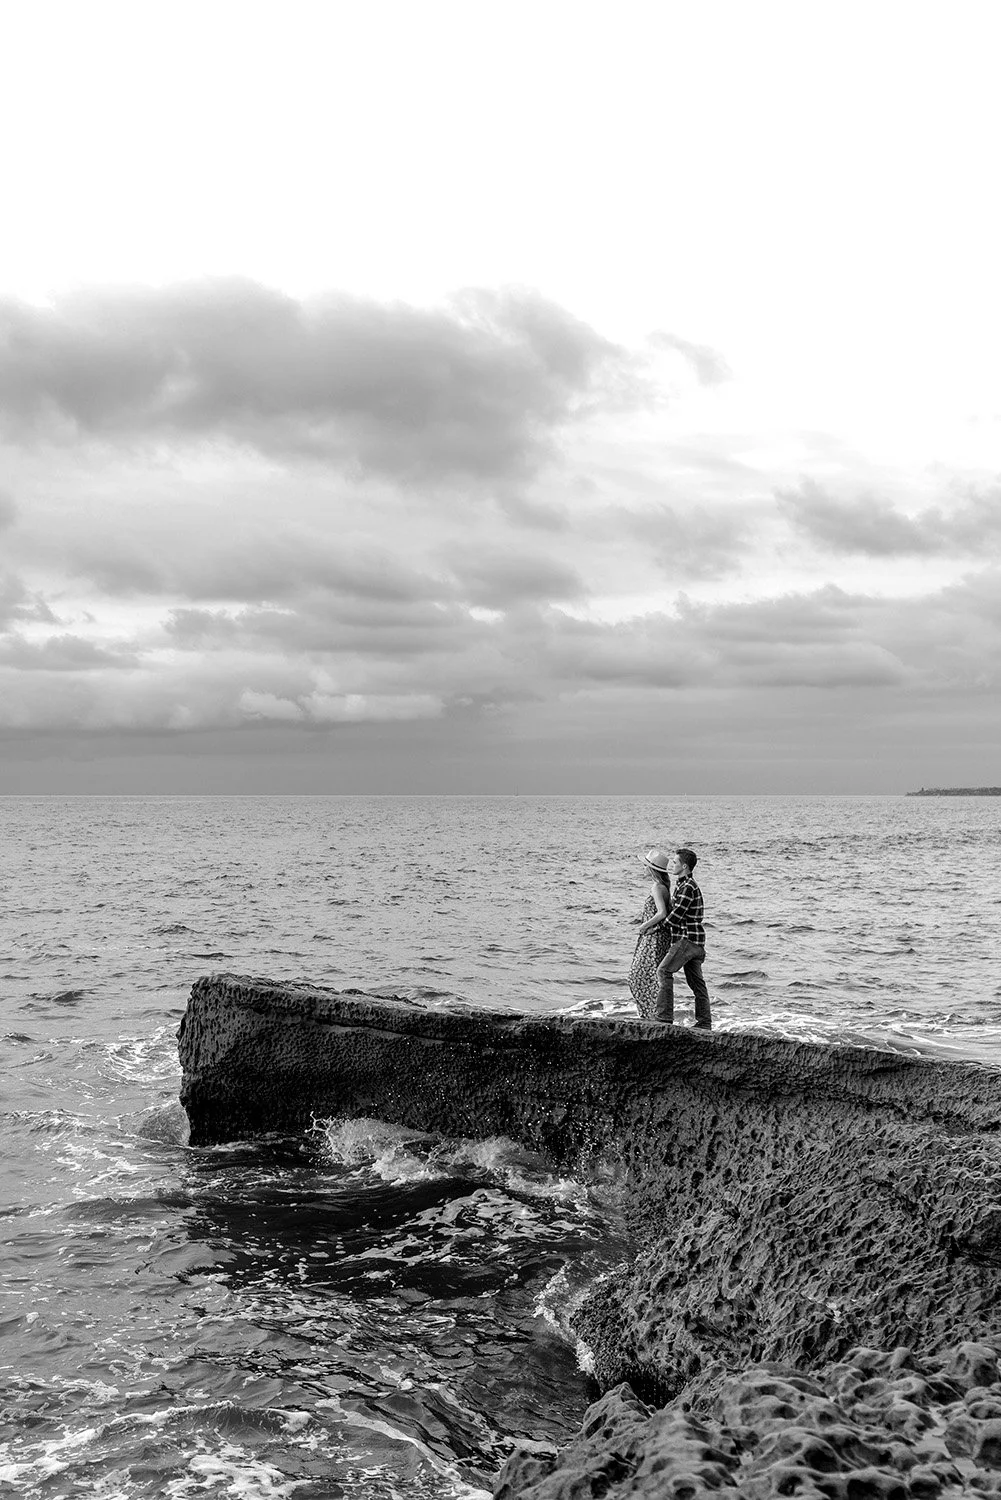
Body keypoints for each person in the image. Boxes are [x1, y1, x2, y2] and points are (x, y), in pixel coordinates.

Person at [654, 848, 711, 1029]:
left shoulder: (687, 887)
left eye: (675, 862)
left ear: (684, 866)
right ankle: (704, 1022)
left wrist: (656, 927)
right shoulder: (683, 884)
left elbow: (677, 915)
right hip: (696, 942)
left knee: (664, 971)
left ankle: (663, 1018)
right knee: (696, 983)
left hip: (687, 940)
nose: (673, 865)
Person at [628, 848, 673, 1019]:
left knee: (637, 976)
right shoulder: (663, 887)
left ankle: (650, 1014)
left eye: (645, 866)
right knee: (650, 976)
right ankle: (653, 1013)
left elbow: (661, 913)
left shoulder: (656, 887)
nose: (643, 869)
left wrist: (643, 926)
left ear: (652, 869)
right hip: (658, 936)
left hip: (653, 937)